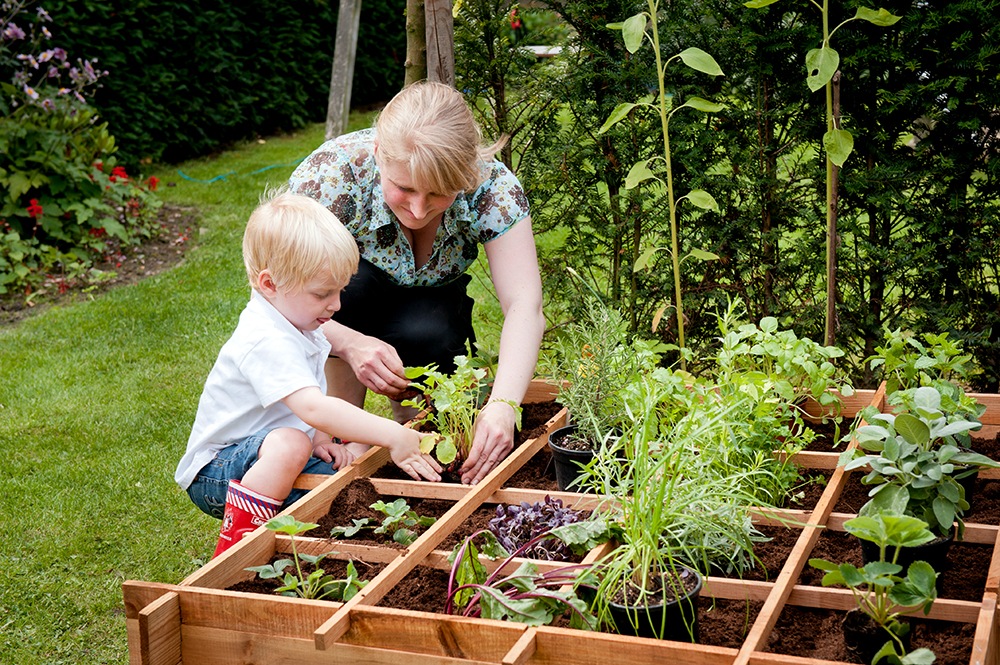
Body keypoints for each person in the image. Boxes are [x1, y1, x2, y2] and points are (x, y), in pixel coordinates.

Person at [288, 81, 545, 485]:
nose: (418, 209)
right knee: (347, 288)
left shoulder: (492, 188)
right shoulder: (331, 178)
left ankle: (416, 425)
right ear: (377, 154)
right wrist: (350, 343)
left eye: (439, 194)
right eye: (404, 188)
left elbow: (524, 305)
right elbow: (279, 298)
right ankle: (344, 432)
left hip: (433, 304)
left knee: (433, 331)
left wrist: (504, 405)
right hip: (345, 302)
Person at [175, 189, 442, 558]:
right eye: (322, 294)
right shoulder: (265, 337)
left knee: (343, 490)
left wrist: (322, 442)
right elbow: (313, 406)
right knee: (291, 443)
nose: (336, 305)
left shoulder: (298, 323)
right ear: (269, 284)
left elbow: (305, 396)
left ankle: (295, 541)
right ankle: (239, 548)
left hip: (273, 455)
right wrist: (393, 435)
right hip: (218, 470)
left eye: (340, 291)